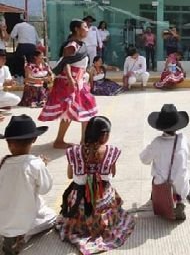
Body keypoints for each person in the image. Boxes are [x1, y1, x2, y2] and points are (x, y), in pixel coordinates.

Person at [56, 116, 135, 254]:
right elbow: (113, 174)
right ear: (105, 135)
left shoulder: (73, 152)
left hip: (78, 202)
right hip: (101, 200)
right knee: (109, 193)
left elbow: (70, 176)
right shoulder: (111, 151)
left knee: (75, 199)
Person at [0, 115, 56, 255]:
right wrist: (43, 166)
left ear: (8, 143)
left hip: (2, 219)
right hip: (22, 221)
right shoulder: (35, 164)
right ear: (34, 139)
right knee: (51, 216)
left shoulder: (2, 162)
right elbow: (45, 188)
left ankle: (9, 234)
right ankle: (20, 237)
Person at [39, 19, 98, 149]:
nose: (87, 29)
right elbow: (66, 63)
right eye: (85, 27)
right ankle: (66, 141)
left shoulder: (79, 44)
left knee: (78, 110)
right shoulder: (72, 45)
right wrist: (71, 80)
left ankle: (81, 140)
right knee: (76, 109)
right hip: (70, 81)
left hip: (78, 80)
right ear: (77, 29)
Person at [140, 104, 190, 221]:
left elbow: (144, 159)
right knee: (184, 173)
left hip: (162, 185)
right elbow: (188, 161)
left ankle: (163, 202)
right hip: (181, 187)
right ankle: (179, 202)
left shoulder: (157, 142)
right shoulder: (183, 140)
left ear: (161, 127)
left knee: (158, 176)